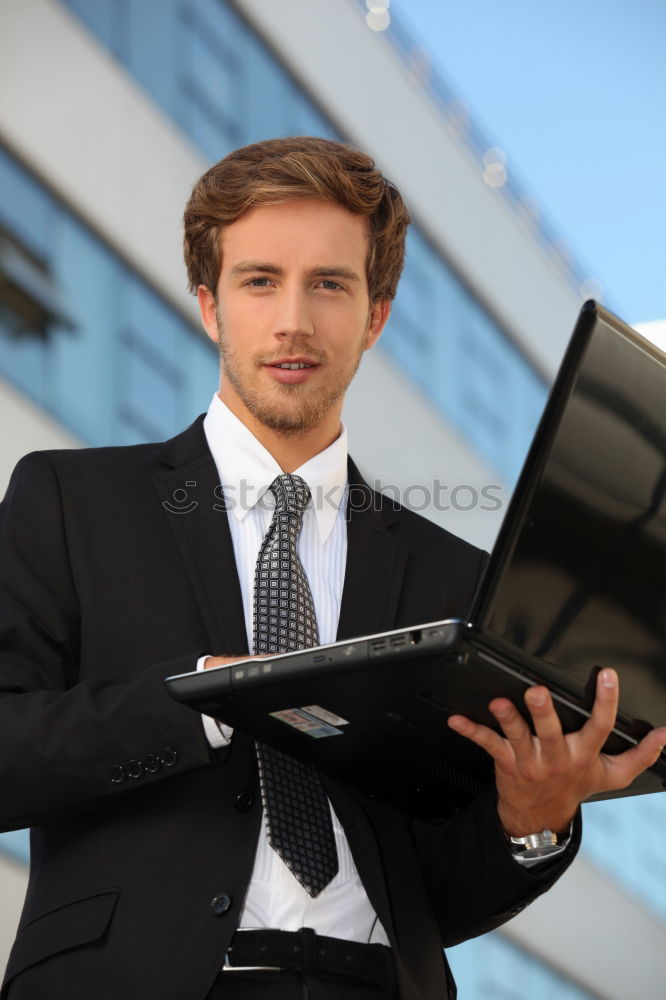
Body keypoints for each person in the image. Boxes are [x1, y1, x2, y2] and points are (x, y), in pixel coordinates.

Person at [0, 136, 663, 1000]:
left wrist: (530, 819)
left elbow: (434, 888)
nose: (293, 322)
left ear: (375, 317)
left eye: (330, 284)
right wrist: (200, 699)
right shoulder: (70, 500)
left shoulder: (453, 579)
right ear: (209, 305)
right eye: (260, 280)